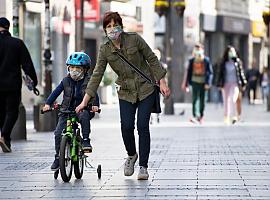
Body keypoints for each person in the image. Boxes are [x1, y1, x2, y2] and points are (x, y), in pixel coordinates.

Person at [75, 12, 170, 180]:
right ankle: (132, 155)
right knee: (126, 127)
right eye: (108, 26)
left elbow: (152, 58)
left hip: (145, 88)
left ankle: (143, 167)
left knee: (142, 126)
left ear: (121, 26)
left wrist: (162, 82)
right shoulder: (105, 49)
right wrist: (84, 101)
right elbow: (97, 75)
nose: (112, 29)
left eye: (115, 25)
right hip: (125, 92)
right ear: (105, 30)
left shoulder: (134, 39)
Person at [42, 52, 100, 171]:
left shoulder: (89, 81)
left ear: (85, 69)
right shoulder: (65, 81)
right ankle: (58, 157)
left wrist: (94, 105)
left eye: (78, 68)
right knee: (58, 133)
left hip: (83, 109)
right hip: (66, 110)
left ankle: (85, 141)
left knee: (84, 116)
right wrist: (48, 104)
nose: (74, 70)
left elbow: (93, 94)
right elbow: (55, 92)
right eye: (72, 67)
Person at [0, 17, 38, 153]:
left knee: (1, 113)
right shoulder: (17, 43)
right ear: (8, 27)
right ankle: (4, 136)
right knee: (12, 112)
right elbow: (27, 64)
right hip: (12, 85)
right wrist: (34, 82)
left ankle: (6, 141)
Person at [214, 45, 247, 125]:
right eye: (230, 51)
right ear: (227, 53)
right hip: (225, 84)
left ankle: (233, 116)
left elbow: (241, 73)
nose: (232, 53)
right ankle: (226, 117)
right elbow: (219, 74)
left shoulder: (237, 62)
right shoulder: (223, 62)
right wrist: (218, 84)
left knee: (233, 99)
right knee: (226, 101)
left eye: (233, 51)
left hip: (235, 84)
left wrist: (243, 83)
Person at [184, 43, 213, 124]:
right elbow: (188, 72)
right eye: (196, 49)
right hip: (194, 82)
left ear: (202, 50)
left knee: (203, 100)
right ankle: (195, 116)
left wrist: (208, 83)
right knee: (195, 99)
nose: (197, 51)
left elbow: (210, 72)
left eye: (199, 49)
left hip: (204, 83)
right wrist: (187, 83)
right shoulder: (191, 60)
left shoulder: (206, 60)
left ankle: (201, 116)